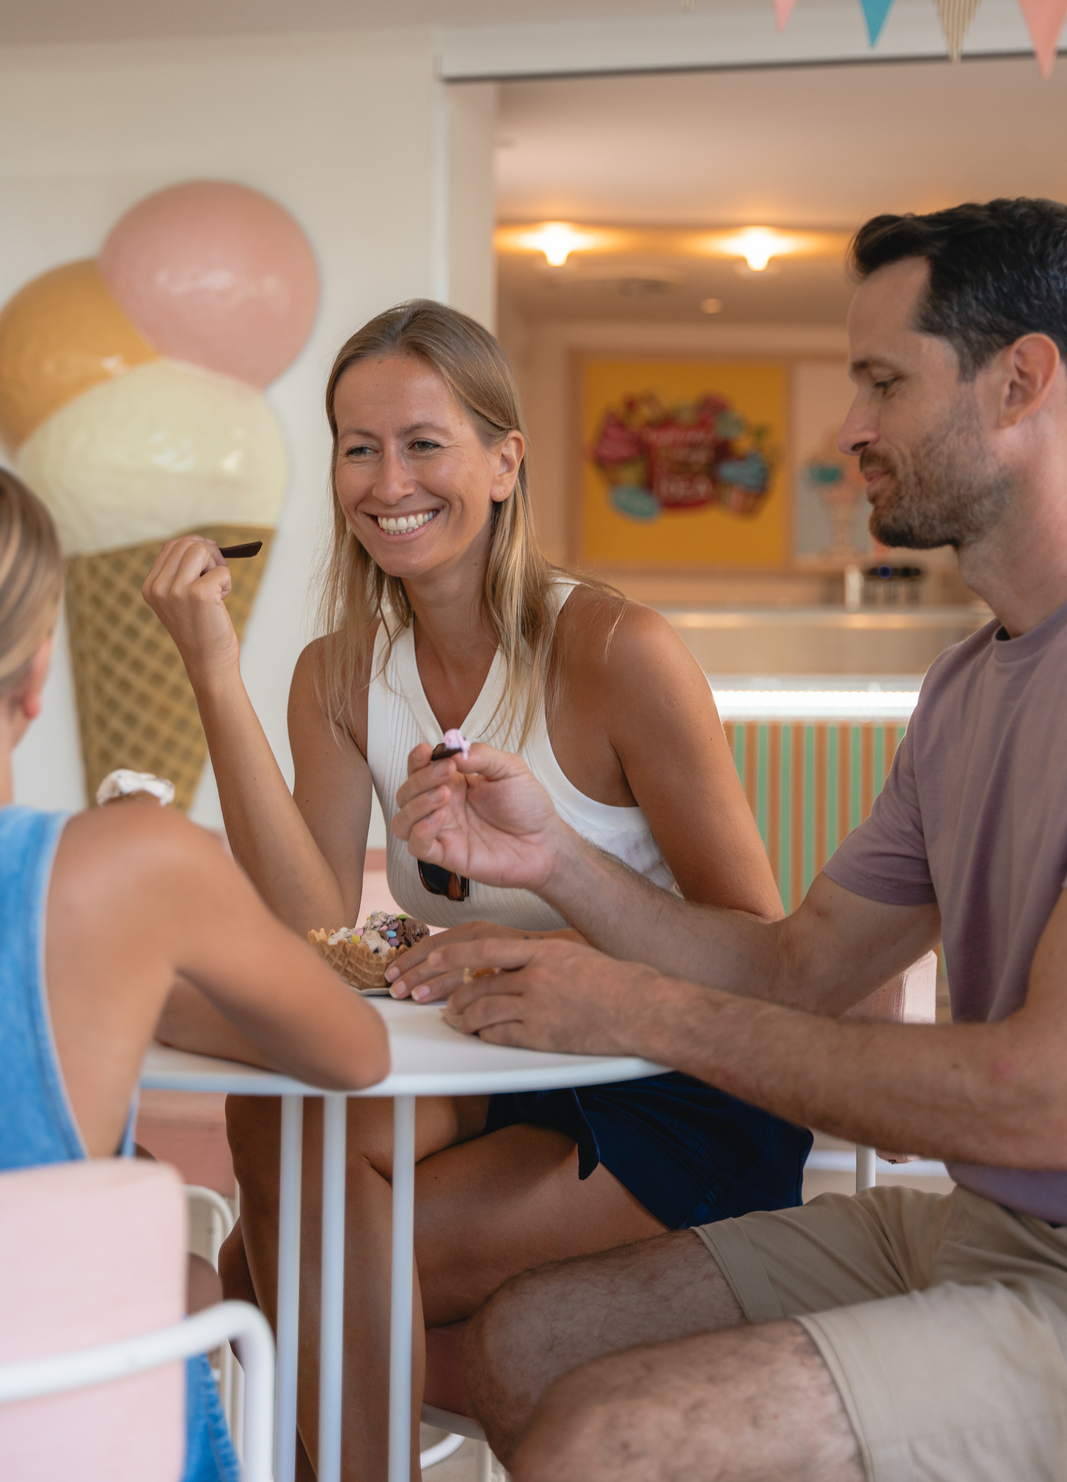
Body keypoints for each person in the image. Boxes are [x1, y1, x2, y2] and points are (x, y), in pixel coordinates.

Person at [390, 196, 1067, 1482]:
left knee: (611, 1432)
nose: (848, 429)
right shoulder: (965, 688)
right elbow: (797, 962)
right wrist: (557, 864)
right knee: (528, 1336)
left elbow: (1040, 1098)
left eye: (880, 380)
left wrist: (638, 1010)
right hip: (982, 1221)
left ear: (1021, 380)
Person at [141, 299, 813, 1480]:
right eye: (358, 446)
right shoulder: (340, 671)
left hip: (663, 1082)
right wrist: (210, 662)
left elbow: (757, 948)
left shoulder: (615, 652)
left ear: (504, 462)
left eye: (422, 441)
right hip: (493, 1055)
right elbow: (313, 923)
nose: (386, 478)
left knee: (262, 1273)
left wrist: (555, 917)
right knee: (272, 1118)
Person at [0, 449, 388, 1482]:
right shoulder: (127, 865)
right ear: (35, 674)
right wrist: (159, 961)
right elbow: (353, 1048)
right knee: (182, 1282)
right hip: (50, 1439)